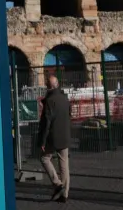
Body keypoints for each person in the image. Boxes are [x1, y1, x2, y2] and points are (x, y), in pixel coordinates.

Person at [38, 75, 72, 203]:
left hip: (52, 136)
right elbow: (69, 115)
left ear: (48, 86)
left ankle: (58, 185)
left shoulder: (49, 100)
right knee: (64, 165)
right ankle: (65, 194)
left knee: (44, 158)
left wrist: (42, 140)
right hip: (65, 135)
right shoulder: (65, 98)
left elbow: (46, 122)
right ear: (57, 84)